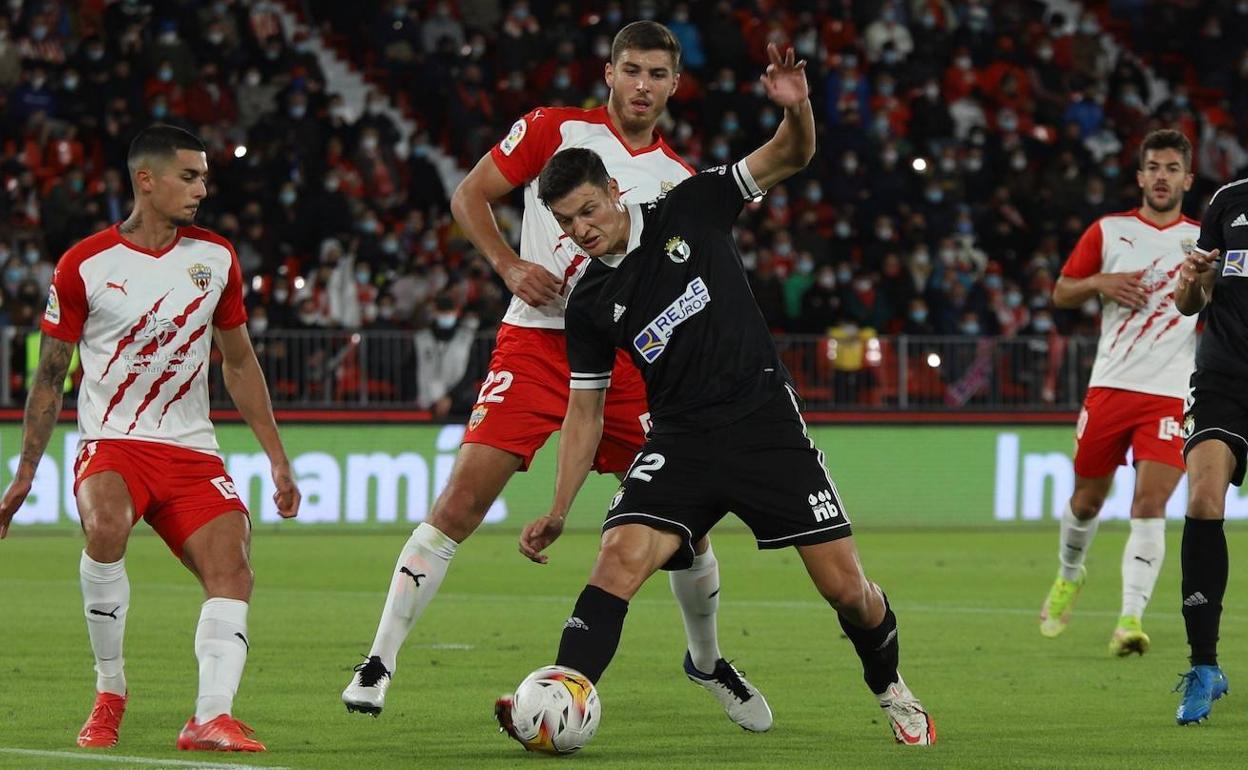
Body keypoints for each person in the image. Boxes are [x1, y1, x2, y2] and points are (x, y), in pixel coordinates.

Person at [497, 43, 935, 748]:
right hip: (679, 440)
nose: (581, 231)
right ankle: (559, 700)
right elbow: (584, 411)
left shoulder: (692, 205)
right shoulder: (590, 303)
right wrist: (557, 508)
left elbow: (791, 155)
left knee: (847, 590)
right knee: (617, 557)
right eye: (567, 222)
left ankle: (891, 688)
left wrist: (797, 108)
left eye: (588, 211)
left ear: (614, 191)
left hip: (763, 424)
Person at [342, 20, 772, 732]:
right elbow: (469, 195)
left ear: (674, 84)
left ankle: (707, 660)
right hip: (536, 346)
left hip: (626, 362)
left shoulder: (678, 180)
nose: (642, 86)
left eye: (656, 75)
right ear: (609, 73)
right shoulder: (553, 130)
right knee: (462, 500)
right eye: (631, 70)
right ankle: (378, 660)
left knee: (687, 526)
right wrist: (509, 264)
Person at [0, 125, 302, 752]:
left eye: (204, 178)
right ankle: (110, 690)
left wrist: (277, 457)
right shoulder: (84, 264)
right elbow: (50, 377)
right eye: (190, 177)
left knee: (233, 569)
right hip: (113, 442)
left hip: (191, 450)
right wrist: (24, 474)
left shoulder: (216, 258)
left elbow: (239, 363)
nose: (202, 190)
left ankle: (210, 717)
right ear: (147, 180)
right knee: (106, 526)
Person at [1039, 130, 1200, 656]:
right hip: (1110, 386)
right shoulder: (1109, 231)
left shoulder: (1201, 243)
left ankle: (1129, 620)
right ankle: (1070, 573)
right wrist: (1099, 284)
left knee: (1150, 503)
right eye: (1153, 167)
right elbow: (1061, 292)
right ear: (1139, 176)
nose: (1161, 177)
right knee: (1086, 502)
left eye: (1171, 168)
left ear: (1188, 179)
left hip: (1170, 393)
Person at [1169, 164, 1248, 723]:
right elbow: (1188, 302)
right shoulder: (1230, 201)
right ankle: (1203, 667)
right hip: (1223, 379)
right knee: (1202, 500)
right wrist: (1193, 277)